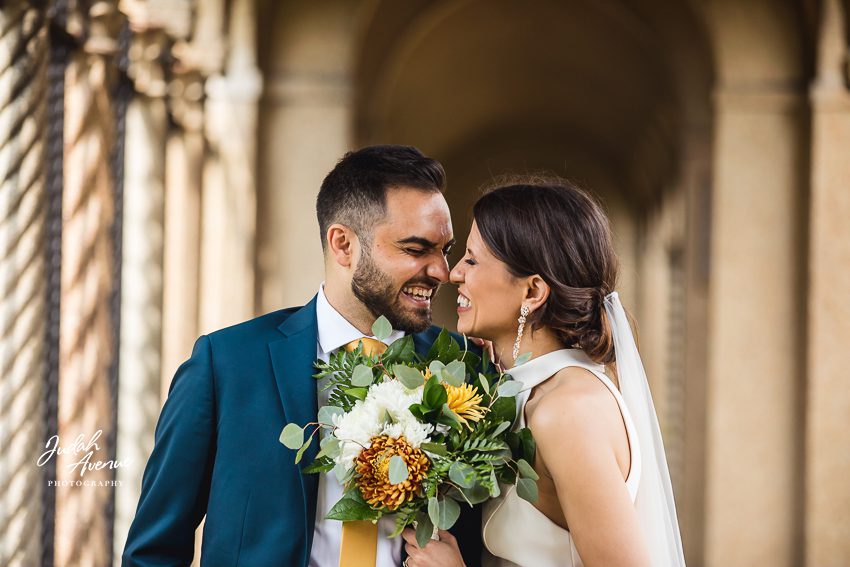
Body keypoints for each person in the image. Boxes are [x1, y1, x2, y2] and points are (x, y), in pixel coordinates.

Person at [122, 145, 483, 567]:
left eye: (445, 249)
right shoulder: (226, 365)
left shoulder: (465, 369)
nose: (442, 271)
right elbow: (154, 550)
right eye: (416, 249)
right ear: (343, 245)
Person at [401, 179, 685, 567]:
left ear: (533, 292)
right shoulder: (529, 391)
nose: (454, 275)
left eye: (471, 259)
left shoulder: (567, 411)